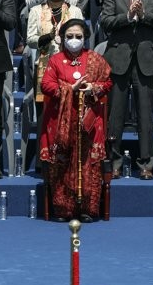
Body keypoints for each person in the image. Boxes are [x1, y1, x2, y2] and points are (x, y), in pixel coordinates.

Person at [101, 0, 153, 179]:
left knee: (145, 114)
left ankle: (146, 165)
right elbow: (106, 22)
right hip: (118, 59)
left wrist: (144, 14)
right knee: (116, 113)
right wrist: (128, 16)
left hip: (146, 60)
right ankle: (114, 162)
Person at [39, 19, 112, 222]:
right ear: (62, 38)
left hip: (88, 122)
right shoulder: (55, 60)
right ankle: (63, 209)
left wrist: (92, 88)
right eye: (69, 36)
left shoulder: (95, 59)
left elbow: (107, 81)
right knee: (61, 163)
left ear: (85, 38)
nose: (74, 40)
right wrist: (69, 89)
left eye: (78, 37)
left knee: (89, 163)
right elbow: (46, 85)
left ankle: (88, 210)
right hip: (61, 122)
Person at [27, 0, 83, 102]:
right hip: (45, 65)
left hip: (70, 65)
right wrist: (48, 37)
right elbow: (30, 40)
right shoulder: (35, 11)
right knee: (45, 109)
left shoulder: (75, 11)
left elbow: (83, 35)